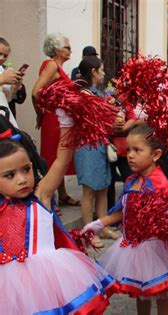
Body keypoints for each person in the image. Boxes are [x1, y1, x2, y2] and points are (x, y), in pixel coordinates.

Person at [0, 110, 117, 314]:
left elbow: (61, 160)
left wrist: (66, 122)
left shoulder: (41, 195)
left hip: (49, 281)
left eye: (26, 170)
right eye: (10, 175)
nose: (21, 179)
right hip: (9, 289)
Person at [82, 125, 168, 315]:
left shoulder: (159, 185)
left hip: (154, 250)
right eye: (128, 150)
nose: (130, 155)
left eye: (137, 150)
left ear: (155, 155)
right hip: (132, 247)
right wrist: (99, 223)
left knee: (161, 294)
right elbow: (125, 210)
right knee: (141, 292)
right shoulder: (131, 181)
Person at [32, 33, 80, 212]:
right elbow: (36, 91)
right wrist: (40, 114)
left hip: (58, 117)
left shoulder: (56, 66)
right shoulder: (51, 65)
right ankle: (48, 197)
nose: (70, 50)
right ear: (56, 49)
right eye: (67, 47)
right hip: (55, 119)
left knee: (60, 157)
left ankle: (62, 194)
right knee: (54, 157)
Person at [73, 56, 117, 248]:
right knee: (90, 190)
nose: (104, 73)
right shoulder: (84, 94)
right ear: (93, 72)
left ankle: (102, 225)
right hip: (88, 146)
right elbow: (99, 118)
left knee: (103, 189)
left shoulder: (96, 93)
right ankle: (89, 231)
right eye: (101, 69)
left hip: (100, 144)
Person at [107, 94, 139, 209]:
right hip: (108, 145)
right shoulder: (104, 97)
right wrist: (111, 126)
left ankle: (128, 208)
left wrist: (123, 127)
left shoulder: (126, 100)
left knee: (129, 177)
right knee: (109, 182)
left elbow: (132, 117)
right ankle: (110, 211)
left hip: (123, 146)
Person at [0, 37, 23, 126]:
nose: (2, 58)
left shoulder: (4, 69)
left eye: (5, 56)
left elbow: (6, 99)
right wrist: (2, 79)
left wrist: (16, 87)